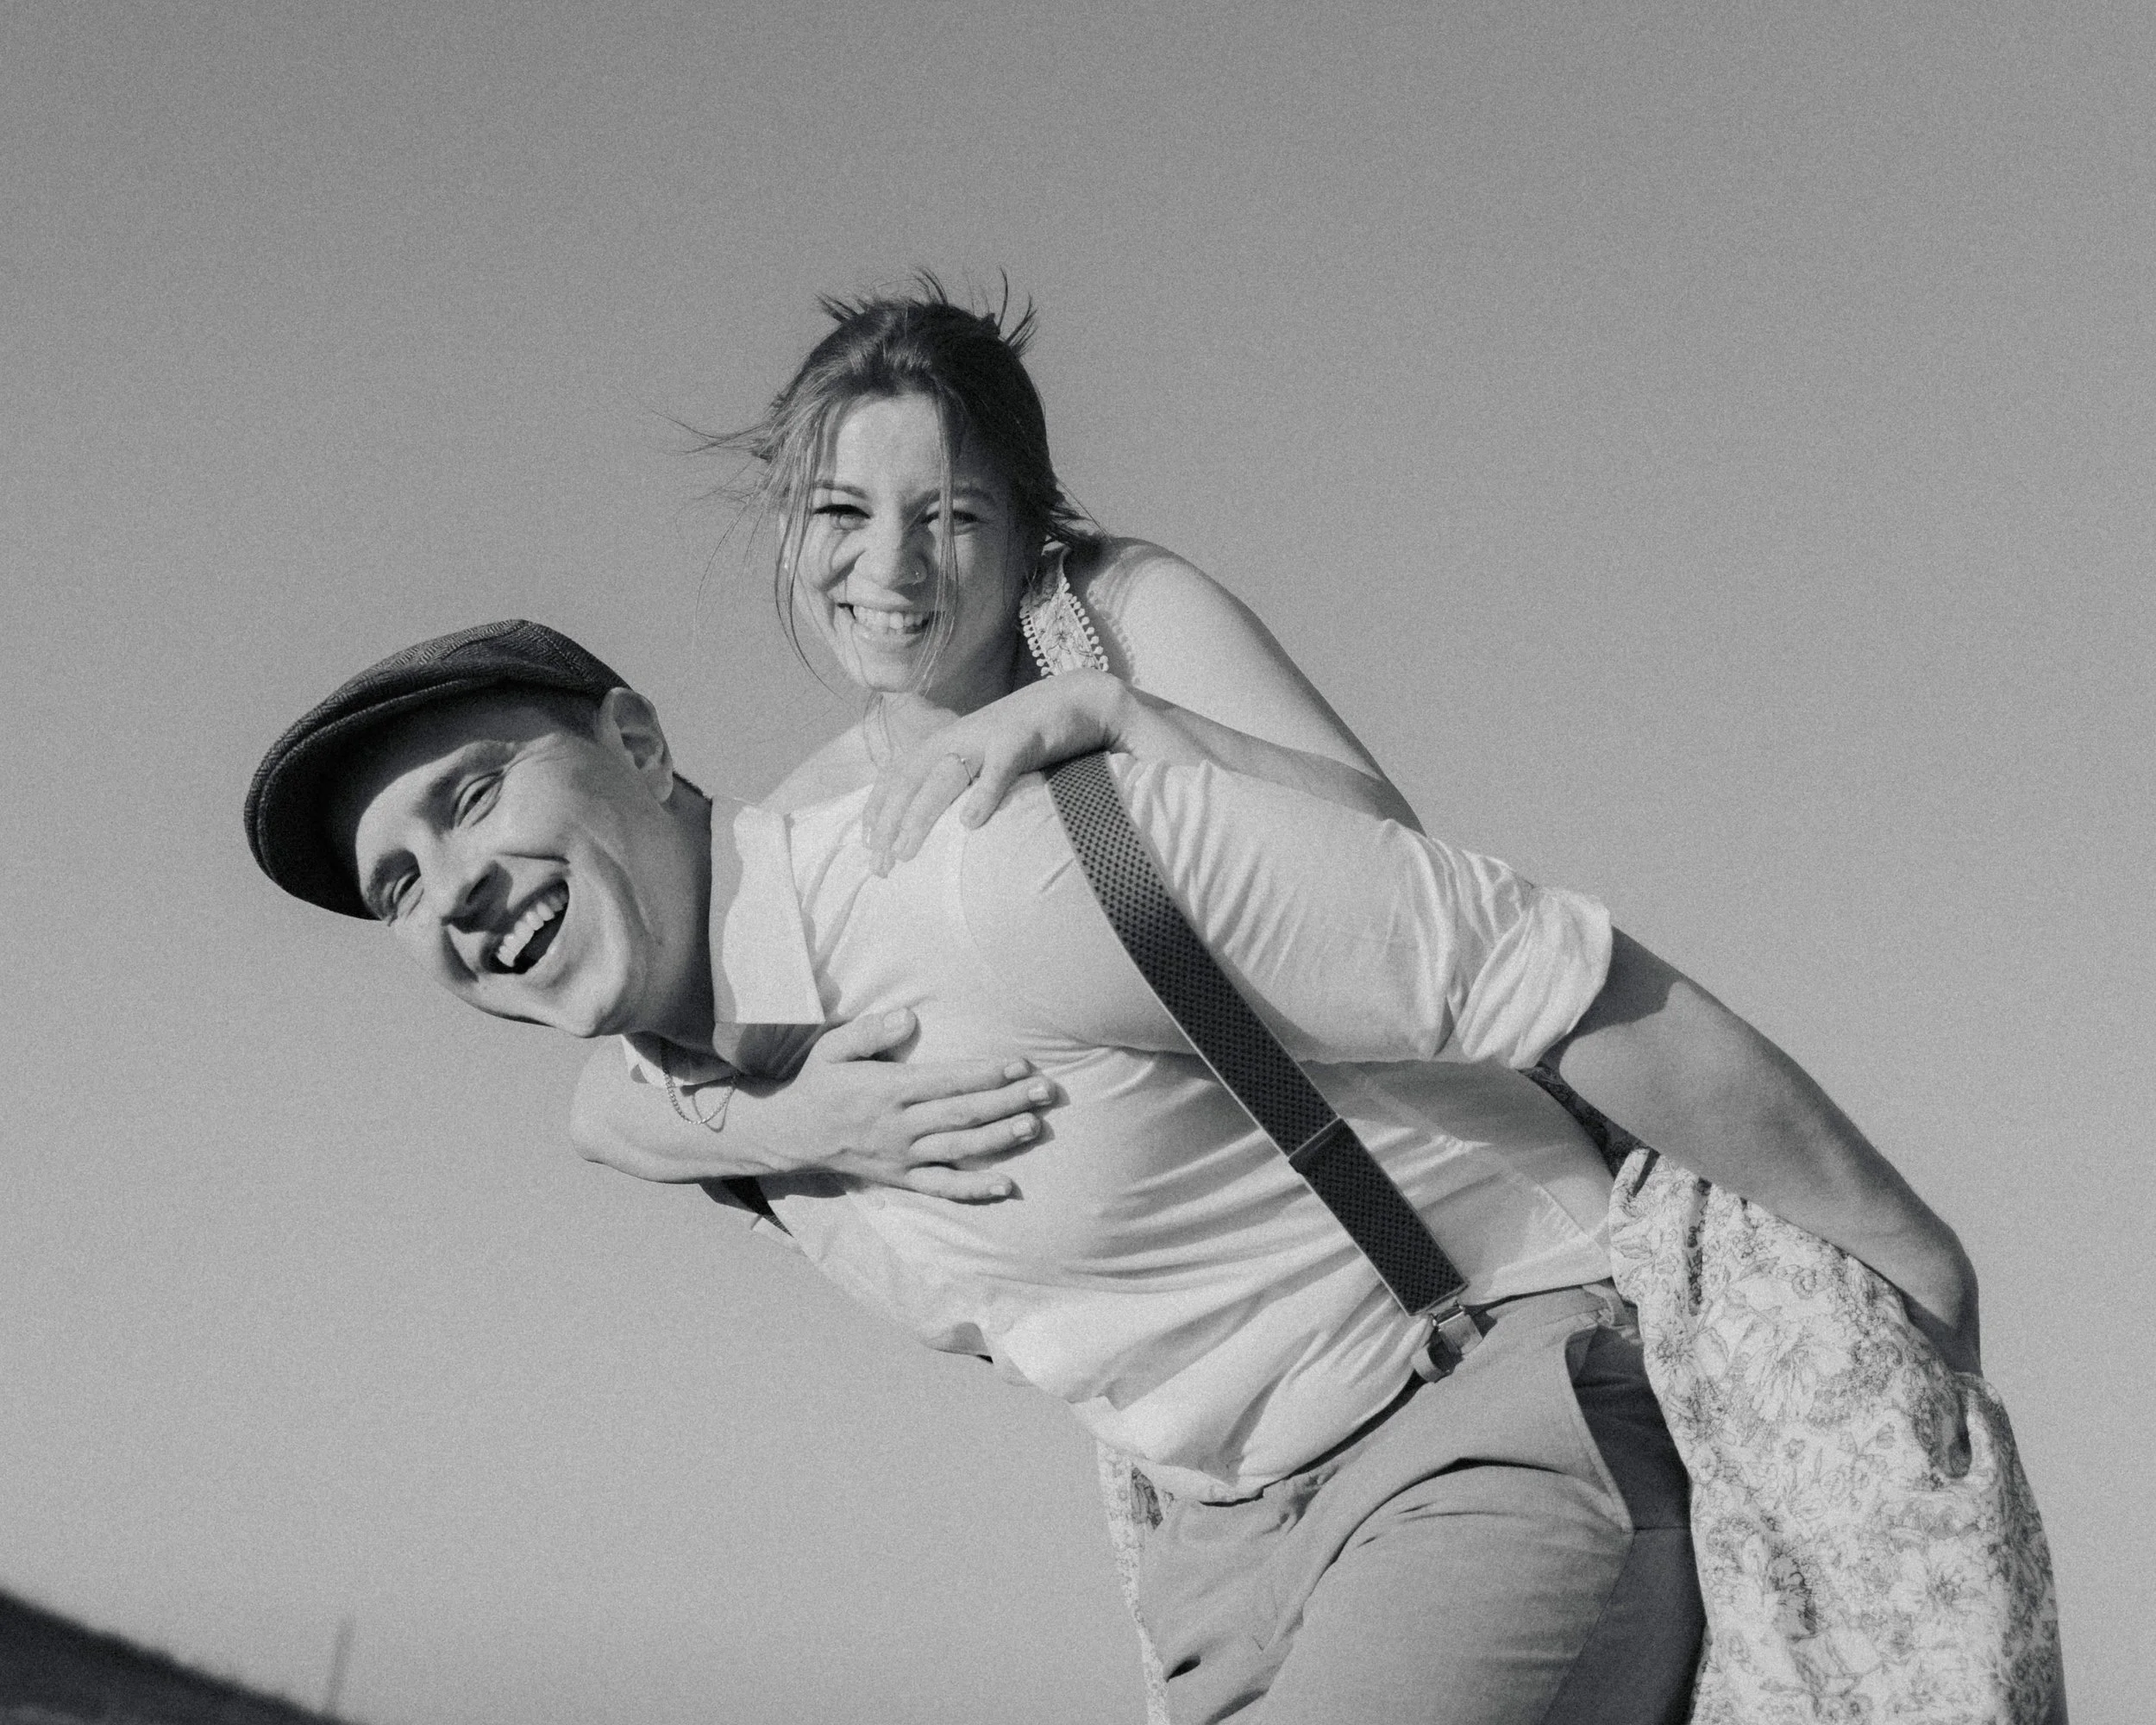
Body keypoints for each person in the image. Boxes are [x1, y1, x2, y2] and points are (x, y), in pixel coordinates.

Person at [242, 620, 1978, 1725]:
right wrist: (761, 1131)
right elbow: (606, 1117)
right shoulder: (693, 1088)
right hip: (1212, 1568)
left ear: (634, 744)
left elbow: (1537, 966)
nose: (448, 887)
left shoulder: (982, 870)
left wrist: (1900, 1252)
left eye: (470, 797)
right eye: (395, 886)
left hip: (1481, 1421)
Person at [567, 282, 1425, 1202]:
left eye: (951, 516)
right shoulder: (806, 821)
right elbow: (604, 1106)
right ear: (785, 526)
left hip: (1408, 1196)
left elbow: (1391, 852)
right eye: (841, 512)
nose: (892, 567)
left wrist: (1114, 714)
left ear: (1029, 530)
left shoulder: (1109, 614)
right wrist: (793, 1125)